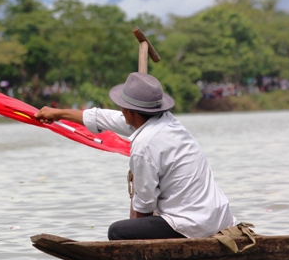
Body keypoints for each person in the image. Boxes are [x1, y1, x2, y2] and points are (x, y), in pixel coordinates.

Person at [35, 72, 236, 240]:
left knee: (118, 232)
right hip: (219, 215)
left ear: (131, 112)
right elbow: (105, 118)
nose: (120, 111)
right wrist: (59, 113)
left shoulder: (144, 145)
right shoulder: (167, 120)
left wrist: (135, 237)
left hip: (193, 224)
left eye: (123, 107)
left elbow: (145, 205)